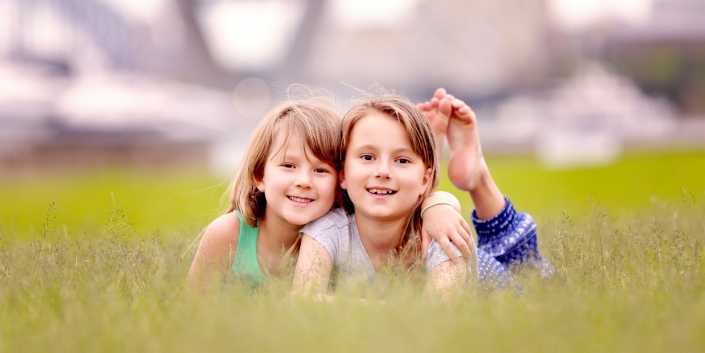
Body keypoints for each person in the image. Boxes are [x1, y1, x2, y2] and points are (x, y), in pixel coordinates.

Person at [188, 95, 475, 289]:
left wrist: (438, 203)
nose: (303, 181)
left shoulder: (336, 232)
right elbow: (189, 314)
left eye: (320, 170)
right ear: (260, 174)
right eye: (289, 165)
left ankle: (476, 173)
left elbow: (404, 192)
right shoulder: (229, 234)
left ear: (340, 177)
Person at [292, 89, 552, 299]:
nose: (382, 171)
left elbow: (436, 313)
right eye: (368, 157)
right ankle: (427, 156)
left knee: (529, 270)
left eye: (401, 160)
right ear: (343, 174)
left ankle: (478, 175)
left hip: (514, 291)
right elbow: (301, 303)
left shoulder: (441, 234)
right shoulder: (327, 230)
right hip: (426, 202)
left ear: (425, 180)